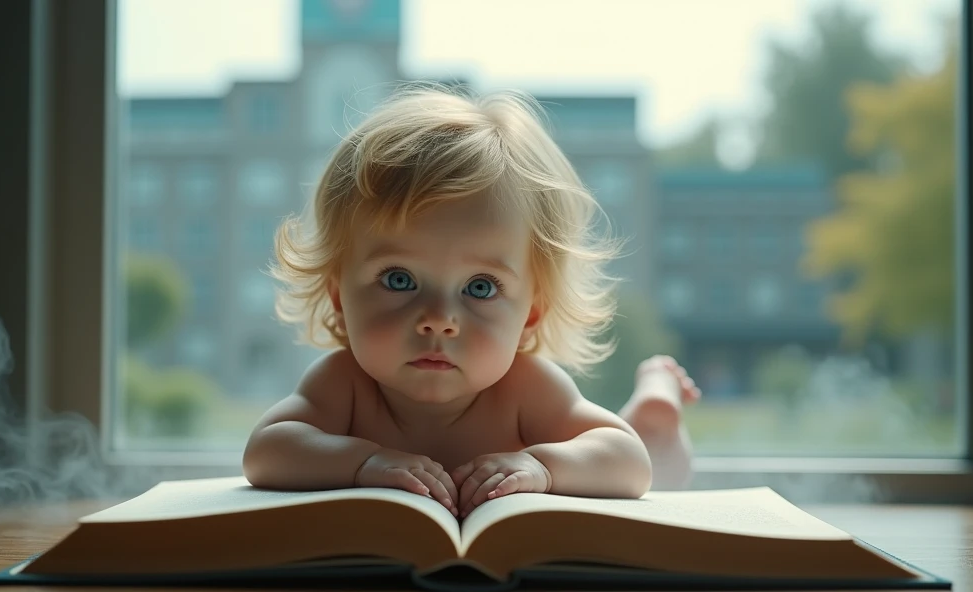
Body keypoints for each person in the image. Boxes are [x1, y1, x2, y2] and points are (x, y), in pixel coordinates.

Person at [242, 84, 701, 519]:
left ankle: (653, 416)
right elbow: (265, 453)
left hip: (622, 467)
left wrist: (543, 468)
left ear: (531, 314)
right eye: (399, 279)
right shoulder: (345, 384)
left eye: (480, 287)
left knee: (658, 474)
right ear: (339, 297)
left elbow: (628, 462)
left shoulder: (525, 388)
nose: (439, 320)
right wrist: (364, 462)